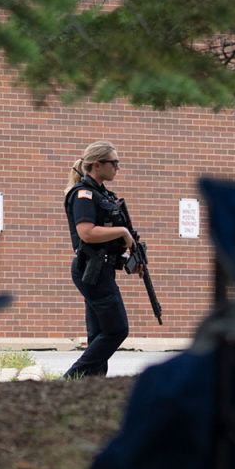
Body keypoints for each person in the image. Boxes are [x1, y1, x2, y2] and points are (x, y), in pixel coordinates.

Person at [62, 140, 143, 379]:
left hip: (100, 269)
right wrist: (123, 233)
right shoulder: (83, 195)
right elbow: (86, 232)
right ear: (97, 165)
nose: (117, 168)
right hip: (91, 271)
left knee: (99, 333)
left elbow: (107, 242)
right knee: (117, 330)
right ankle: (70, 379)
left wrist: (130, 257)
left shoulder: (103, 194)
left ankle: (92, 385)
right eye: (114, 163)